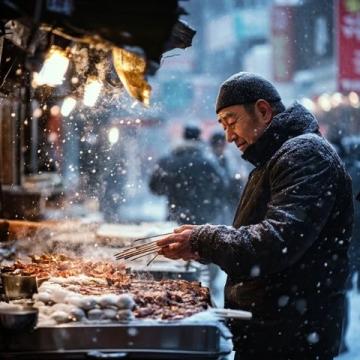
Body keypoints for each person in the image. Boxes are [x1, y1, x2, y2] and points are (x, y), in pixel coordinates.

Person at [157, 72, 354, 360]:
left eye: (232, 121)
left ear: (263, 110)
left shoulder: (305, 154)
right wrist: (202, 242)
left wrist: (206, 239)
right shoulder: (273, 156)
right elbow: (260, 234)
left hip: (292, 335)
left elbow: (276, 242)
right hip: (273, 328)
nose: (228, 135)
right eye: (223, 126)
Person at [149, 124, 224, 225]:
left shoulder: (167, 161)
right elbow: (220, 188)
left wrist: (173, 189)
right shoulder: (208, 163)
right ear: (199, 139)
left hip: (174, 220)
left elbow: (155, 188)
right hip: (201, 222)